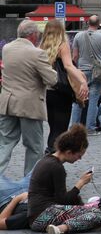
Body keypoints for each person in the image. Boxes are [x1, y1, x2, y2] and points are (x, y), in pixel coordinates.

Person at [0, 20, 58, 176]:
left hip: (7, 103)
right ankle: (30, 182)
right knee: (34, 146)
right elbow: (52, 79)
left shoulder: (6, 49)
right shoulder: (37, 53)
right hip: (29, 106)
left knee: (4, 143)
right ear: (33, 35)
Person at [27, 125, 101, 234]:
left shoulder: (47, 159)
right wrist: (81, 183)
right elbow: (63, 200)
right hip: (44, 215)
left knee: (89, 211)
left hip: (37, 215)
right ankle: (62, 228)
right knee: (98, 214)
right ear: (69, 152)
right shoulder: (56, 167)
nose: (79, 159)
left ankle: (73, 225)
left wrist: (81, 207)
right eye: (79, 155)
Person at [39, 21, 88, 154]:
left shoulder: (41, 47)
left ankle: (50, 154)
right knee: (60, 129)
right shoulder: (62, 46)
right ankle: (52, 157)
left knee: (53, 127)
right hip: (61, 92)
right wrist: (82, 81)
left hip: (46, 93)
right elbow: (68, 66)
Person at [70, 16, 101, 133]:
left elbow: (74, 56)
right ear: (99, 24)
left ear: (88, 23)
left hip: (81, 72)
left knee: (79, 100)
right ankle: (90, 128)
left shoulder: (78, 36)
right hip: (97, 72)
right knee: (93, 100)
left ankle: (74, 127)